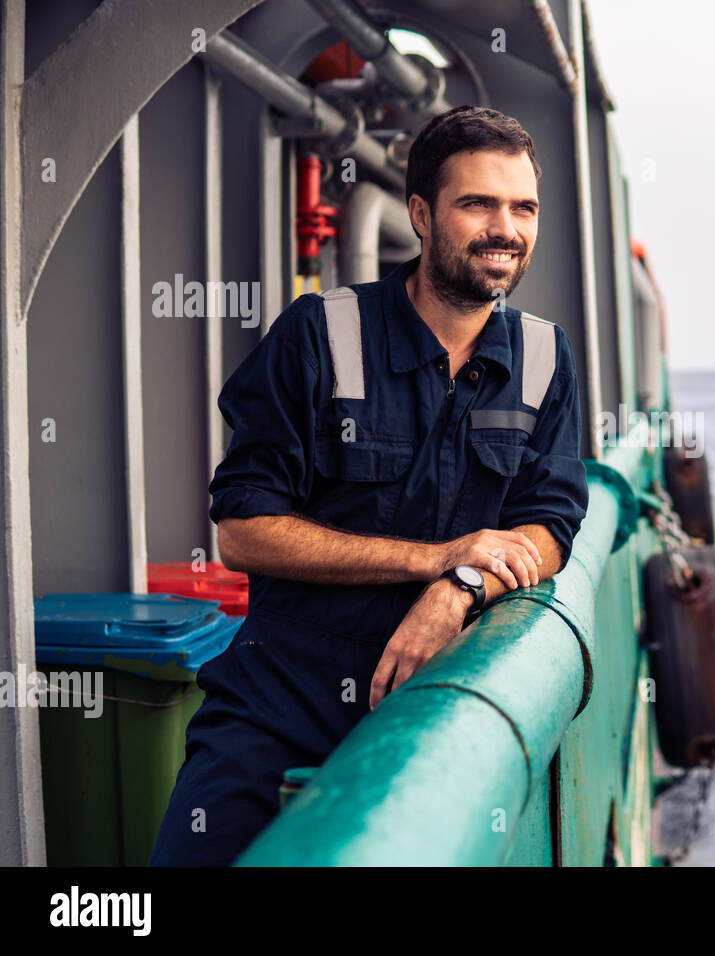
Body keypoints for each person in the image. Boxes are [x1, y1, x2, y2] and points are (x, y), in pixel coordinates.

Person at [150, 105, 589, 866]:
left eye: (523, 207)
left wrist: (457, 586)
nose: (505, 228)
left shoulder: (547, 358)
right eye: (477, 203)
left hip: (434, 719)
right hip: (275, 710)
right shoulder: (320, 333)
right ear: (421, 214)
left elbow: (549, 524)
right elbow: (244, 529)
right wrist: (429, 558)